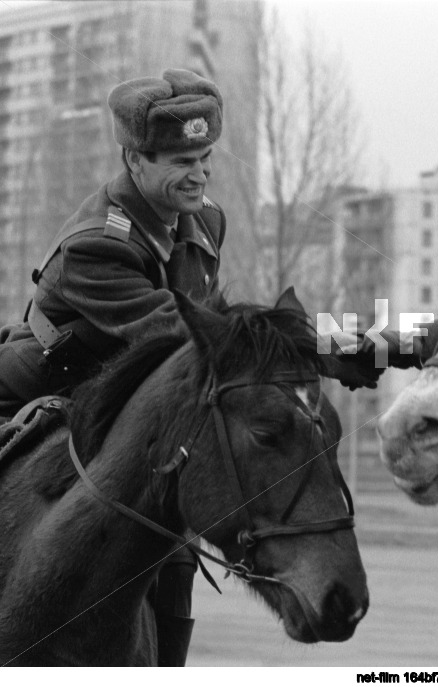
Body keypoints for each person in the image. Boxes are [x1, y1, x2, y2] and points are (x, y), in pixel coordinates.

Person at [0, 68, 227, 666]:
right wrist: (339, 342)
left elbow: (215, 337)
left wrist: (394, 341)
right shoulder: (97, 245)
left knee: (173, 542)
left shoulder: (204, 221)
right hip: (36, 393)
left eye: (205, 157)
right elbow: (192, 338)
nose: (199, 174)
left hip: (120, 412)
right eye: (181, 160)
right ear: (134, 159)